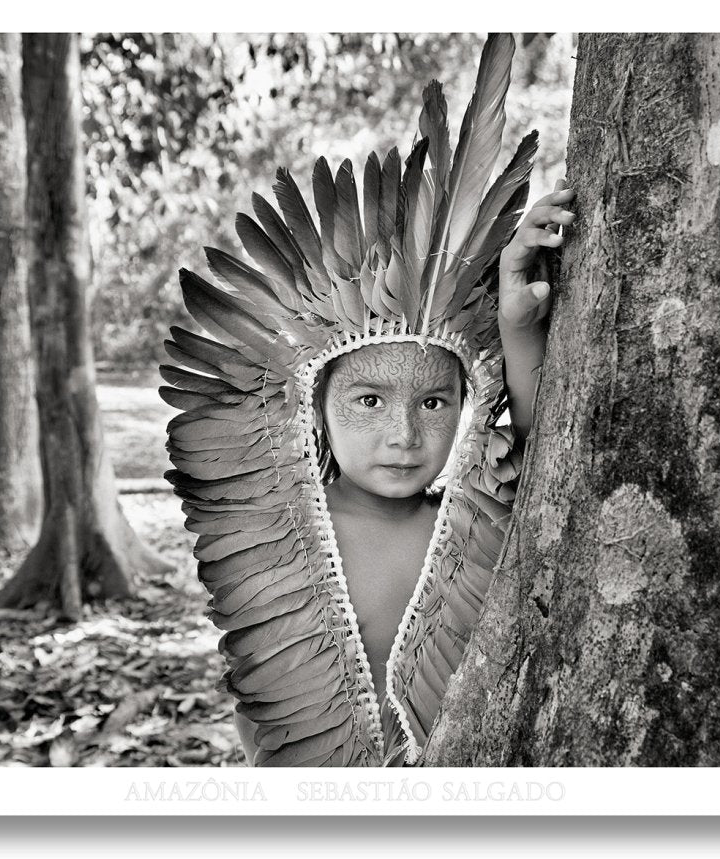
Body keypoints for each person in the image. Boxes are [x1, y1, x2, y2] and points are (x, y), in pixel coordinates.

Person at [163, 33, 572, 766]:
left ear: (467, 403)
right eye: (369, 400)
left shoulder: (473, 522)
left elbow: (554, 450)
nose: (404, 436)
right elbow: (265, 693)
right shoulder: (270, 523)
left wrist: (515, 324)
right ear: (309, 405)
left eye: (434, 404)